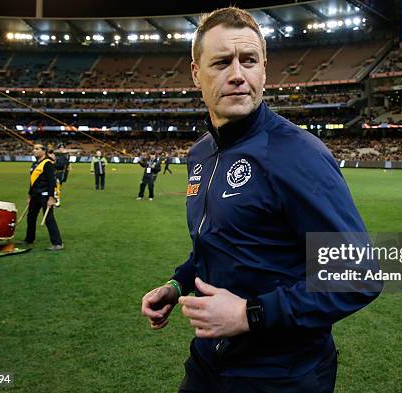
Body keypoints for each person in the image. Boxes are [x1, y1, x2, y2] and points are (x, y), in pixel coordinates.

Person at [140, 7, 381, 393]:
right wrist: (177, 283)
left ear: (264, 70)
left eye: (248, 60)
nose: (237, 74)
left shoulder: (298, 153)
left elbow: (359, 274)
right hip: (209, 363)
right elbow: (219, 246)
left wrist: (250, 314)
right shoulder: (200, 154)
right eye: (221, 62)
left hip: (281, 376)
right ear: (195, 73)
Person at [22, 144, 63, 251]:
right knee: (31, 217)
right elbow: (32, 182)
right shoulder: (34, 164)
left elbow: (52, 182)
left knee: (49, 219)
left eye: (37, 149)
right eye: (34, 149)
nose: (34, 151)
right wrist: (29, 195)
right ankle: (29, 239)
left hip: (45, 196)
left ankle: (57, 243)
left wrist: (51, 197)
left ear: (43, 151)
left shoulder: (47, 164)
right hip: (35, 195)